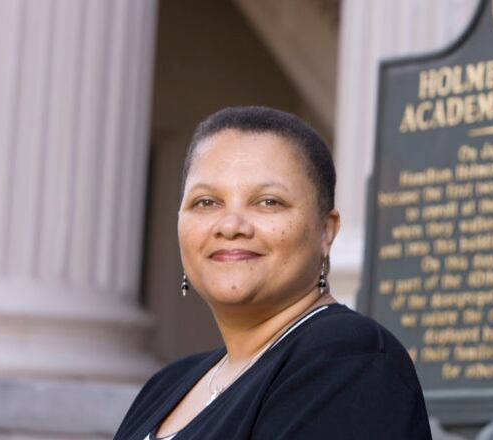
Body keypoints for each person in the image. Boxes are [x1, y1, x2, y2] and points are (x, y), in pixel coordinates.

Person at [114, 106, 432, 439]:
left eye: (268, 202)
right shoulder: (165, 386)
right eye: (206, 202)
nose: (230, 226)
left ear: (326, 231)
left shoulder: (350, 359)